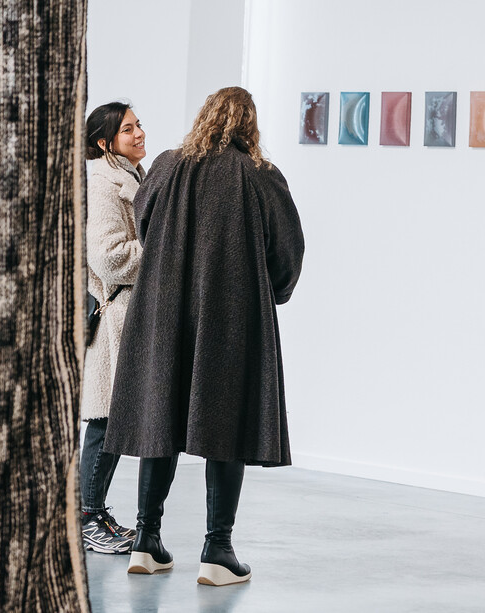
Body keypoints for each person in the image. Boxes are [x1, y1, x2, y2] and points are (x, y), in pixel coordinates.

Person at [104, 86, 304, 586]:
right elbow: (287, 252)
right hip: (231, 316)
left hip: (164, 311)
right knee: (226, 425)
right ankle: (218, 551)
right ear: (248, 124)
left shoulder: (168, 165)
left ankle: (145, 542)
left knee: (160, 418)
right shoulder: (259, 175)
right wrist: (272, 292)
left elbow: (146, 226)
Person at [79, 101, 148, 554]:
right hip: (115, 312)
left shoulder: (128, 176)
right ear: (105, 142)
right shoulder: (104, 183)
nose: (140, 133)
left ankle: (94, 511)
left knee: (115, 418)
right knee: (106, 419)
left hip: (128, 313)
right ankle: (87, 517)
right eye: (128, 129)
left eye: (139, 124)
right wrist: (162, 252)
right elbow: (106, 255)